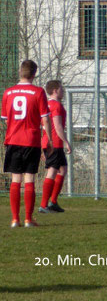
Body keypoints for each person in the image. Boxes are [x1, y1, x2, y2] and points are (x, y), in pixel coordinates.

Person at [1, 60, 53, 228]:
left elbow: (5, 119)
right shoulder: (38, 92)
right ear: (34, 74)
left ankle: (15, 219)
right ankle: (28, 219)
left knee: (16, 178)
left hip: (13, 140)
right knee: (29, 177)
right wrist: (49, 139)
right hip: (31, 140)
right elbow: (45, 119)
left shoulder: (8, 92)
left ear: (20, 72)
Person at [39, 80, 72, 214]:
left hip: (48, 142)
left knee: (62, 170)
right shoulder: (56, 106)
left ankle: (53, 202)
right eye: (61, 89)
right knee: (52, 171)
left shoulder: (46, 104)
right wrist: (66, 141)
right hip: (55, 143)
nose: (62, 91)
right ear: (55, 90)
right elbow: (57, 126)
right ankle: (43, 205)